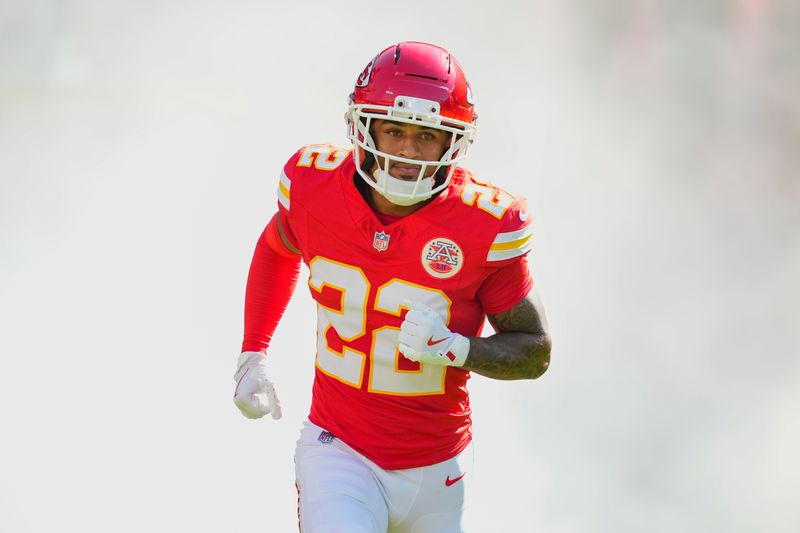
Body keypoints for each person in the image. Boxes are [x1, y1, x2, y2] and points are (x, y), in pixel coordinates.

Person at [233, 41, 552, 533]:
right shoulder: (315, 187)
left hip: (438, 468)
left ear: (454, 141)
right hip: (339, 451)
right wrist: (253, 353)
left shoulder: (484, 223)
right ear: (365, 126)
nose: (407, 150)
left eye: (427, 134)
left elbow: (535, 352)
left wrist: (455, 348)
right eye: (394, 130)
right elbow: (277, 249)